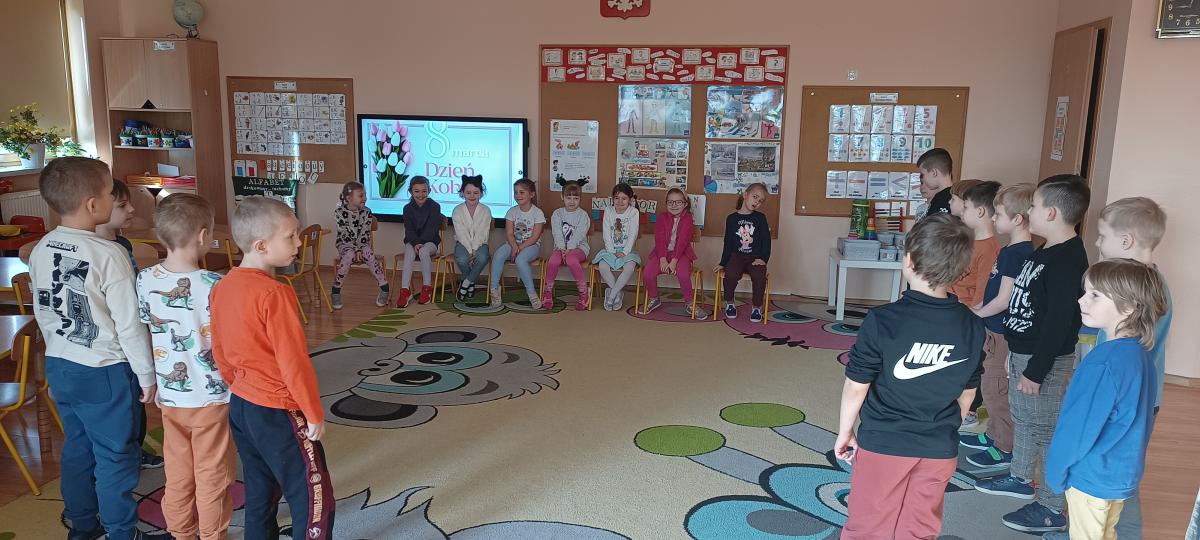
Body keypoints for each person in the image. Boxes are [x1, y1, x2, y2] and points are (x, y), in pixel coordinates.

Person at [28, 157, 166, 540]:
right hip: (104, 369)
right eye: (109, 193)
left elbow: (44, 309)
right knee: (115, 457)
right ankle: (122, 532)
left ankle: (82, 525)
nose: (112, 198)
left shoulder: (41, 248)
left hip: (60, 364)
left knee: (78, 447)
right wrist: (147, 376)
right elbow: (130, 325)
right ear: (93, 204)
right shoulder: (109, 254)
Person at [835, 213, 984, 540]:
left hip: (885, 443)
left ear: (910, 260)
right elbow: (968, 393)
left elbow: (857, 385)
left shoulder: (883, 320)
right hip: (939, 448)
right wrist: (945, 427)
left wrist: (845, 431)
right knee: (918, 530)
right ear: (961, 269)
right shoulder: (973, 325)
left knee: (868, 528)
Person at [1043, 196, 1172, 540]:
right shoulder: (1139, 355)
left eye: (1094, 296)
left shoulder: (1103, 364)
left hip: (1091, 478)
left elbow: (1078, 426)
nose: (1081, 300)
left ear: (1128, 307)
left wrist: (1055, 471)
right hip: (1119, 478)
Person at [210, 197, 334, 539]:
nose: (299, 243)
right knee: (313, 496)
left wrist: (238, 384)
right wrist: (313, 413)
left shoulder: (222, 285)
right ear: (262, 246)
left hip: (242, 405)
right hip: (278, 410)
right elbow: (293, 361)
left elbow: (218, 348)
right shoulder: (275, 294)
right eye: (291, 236)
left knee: (260, 489)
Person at [974, 174, 1091, 534]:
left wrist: (1036, 371)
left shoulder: (1068, 259)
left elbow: (1059, 321)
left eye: (1036, 206)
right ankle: (1020, 476)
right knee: (1025, 420)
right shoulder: (1045, 250)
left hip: (1044, 362)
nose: (1030, 212)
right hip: (1023, 353)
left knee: (1045, 429)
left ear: (1052, 213)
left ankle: (1052, 507)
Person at [136, 193, 235, 540]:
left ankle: (181, 533)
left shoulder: (145, 279)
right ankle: (212, 535)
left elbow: (146, 329)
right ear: (203, 235)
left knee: (177, 474)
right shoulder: (215, 284)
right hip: (212, 397)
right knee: (213, 475)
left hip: (170, 398)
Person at [962, 183, 1036, 469]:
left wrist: (977, 313)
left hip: (1002, 332)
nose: (994, 218)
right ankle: (994, 434)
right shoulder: (1011, 250)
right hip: (994, 328)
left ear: (1017, 219)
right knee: (989, 383)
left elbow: (1005, 299)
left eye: (999, 214)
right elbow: (996, 292)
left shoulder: (1017, 254)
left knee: (996, 389)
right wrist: (979, 310)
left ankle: (1004, 446)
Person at [92, 178, 164, 470]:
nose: (132, 210)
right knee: (126, 408)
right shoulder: (102, 251)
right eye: (122, 205)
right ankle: (125, 455)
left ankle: (137, 448)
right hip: (118, 341)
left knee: (137, 404)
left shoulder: (121, 244)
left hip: (134, 333)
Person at [643, 188, 709, 319]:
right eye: (670, 202)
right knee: (648, 273)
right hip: (662, 253)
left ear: (685, 204)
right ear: (666, 203)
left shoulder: (688, 218)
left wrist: (674, 261)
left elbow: (682, 242)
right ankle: (654, 298)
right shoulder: (662, 217)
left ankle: (690, 303)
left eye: (678, 202)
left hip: (681, 254)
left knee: (683, 274)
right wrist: (662, 259)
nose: (674, 205)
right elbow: (660, 239)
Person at [715, 182, 771, 323]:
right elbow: (728, 242)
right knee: (730, 275)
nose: (757, 202)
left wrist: (763, 259)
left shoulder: (760, 218)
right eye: (755, 197)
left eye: (760, 201)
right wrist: (723, 263)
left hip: (755, 257)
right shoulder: (731, 219)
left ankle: (757, 307)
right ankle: (729, 302)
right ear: (745, 195)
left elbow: (766, 240)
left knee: (759, 277)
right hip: (736, 256)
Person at [331, 181, 389, 309]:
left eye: (365, 195)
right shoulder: (339, 213)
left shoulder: (366, 212)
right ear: (348, 198)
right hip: (345, 244)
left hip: (362, 244)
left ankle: (384, 287)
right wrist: (355, 249)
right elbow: (344, 233)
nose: (365, 198)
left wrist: (360, 249)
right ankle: (336, 290)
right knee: (349, 254)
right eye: (361, 196)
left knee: (368, 253)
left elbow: (364, 232)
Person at [489, 178, 546, 308]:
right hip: (512, 244)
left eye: (522, 192)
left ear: (531, 194)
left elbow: (534, 237)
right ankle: (494, 289)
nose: (518, 195)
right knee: (498, 255)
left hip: (531, 246)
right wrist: (514, 247)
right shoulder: (512, 211)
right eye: (516, 192)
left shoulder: (538, 213)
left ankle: (532, 294)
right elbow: (509, 234)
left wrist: (519, 248)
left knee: (521, 260)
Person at [544, 178, 592, 310]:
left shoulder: (583, 215)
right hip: (560, 248)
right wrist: (562, 248)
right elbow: (557, 233)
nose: (572, 201)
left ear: (580, 198)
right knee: (553, 261)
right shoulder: (557, 214)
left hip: (579, 248)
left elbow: (580, 234)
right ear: (562, 197)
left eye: (575, 198)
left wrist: (570, 248)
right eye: (568, 198)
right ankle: (547, 291)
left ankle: (583, 292)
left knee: (571, 259)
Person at [592, 183, 641, 311]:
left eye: (624, 198)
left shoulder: (633, 212)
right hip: (610, 249)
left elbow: (633, 234)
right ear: (612, 198)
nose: (620, 201)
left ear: (630, 200)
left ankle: (612, 294)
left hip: (627, 250)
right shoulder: (608, 210)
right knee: (602, 266)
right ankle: (618, 293)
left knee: (629, 268)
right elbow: (606, 232)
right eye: (616, 198)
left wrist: (625, 252)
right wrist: (611, 250)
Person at [397, 176, 441, 307]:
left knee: (423, 252)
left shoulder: (435, 206)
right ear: (411, 191)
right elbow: (409, 230)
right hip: (413, 241)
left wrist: (421, 243)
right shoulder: (407, 208)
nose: (420, 195)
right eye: (417, 191)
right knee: (409, 252)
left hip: (430, 242)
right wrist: (416, 243)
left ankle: (427, 288)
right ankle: (405, 290)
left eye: (424, 191)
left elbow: (432, 229)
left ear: (429, 191)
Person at [451, 175, 492, 301]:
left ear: (481, 193)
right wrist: (469, 251)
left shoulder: (485, 210)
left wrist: (475, 249)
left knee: (482, 257)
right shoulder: (457, 210)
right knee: (462, 259)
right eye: (468, 193)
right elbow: (461, 232)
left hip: (481, 244)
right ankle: (472, 281)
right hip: (462, 243)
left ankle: (466, 282)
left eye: (476, 192)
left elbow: (482, 232)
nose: (472, 196)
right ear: (462, 193)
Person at [94, 179, 138, 271]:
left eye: (129, 203)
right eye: (122, 205)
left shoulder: (124, 243)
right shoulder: (96, 250)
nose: (131, 209)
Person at [917, 148, 954, 218]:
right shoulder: (956, 196)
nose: (923, 179)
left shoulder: (942, 200)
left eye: (923, 175)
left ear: (934, 173)